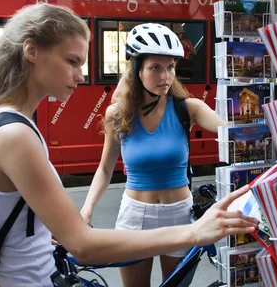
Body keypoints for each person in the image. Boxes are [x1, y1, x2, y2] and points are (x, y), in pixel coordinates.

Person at [0, 5, 257, 286]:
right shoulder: (15, 134)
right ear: (31, 51)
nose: (82, 74)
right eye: (72, 61)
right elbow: (83, 247)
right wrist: (195, 231)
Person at [80, 23, 233, 286]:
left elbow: (232, 133)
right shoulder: (116, 115)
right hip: (135, 216)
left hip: (180, 215)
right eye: (155, 68)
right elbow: (105, 169)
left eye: (171, 67)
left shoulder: (189, 108)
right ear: (137, 70)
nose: (165, 76)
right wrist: (86, 209)